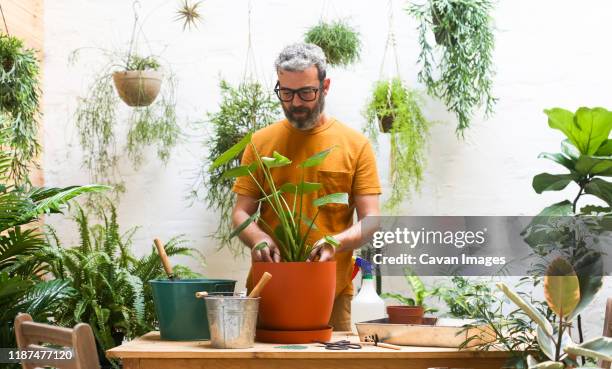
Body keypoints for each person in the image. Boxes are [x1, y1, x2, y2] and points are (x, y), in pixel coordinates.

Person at [231, 42, 381, 331]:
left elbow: (371, 219)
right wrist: (258, 238)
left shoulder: (355, 145)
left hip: (331, 292)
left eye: (306, 93)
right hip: (267, 288)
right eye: (286, 93)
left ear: (325, 86)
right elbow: (241, 213)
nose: (296, 103)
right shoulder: (260, 143)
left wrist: (335, 242)